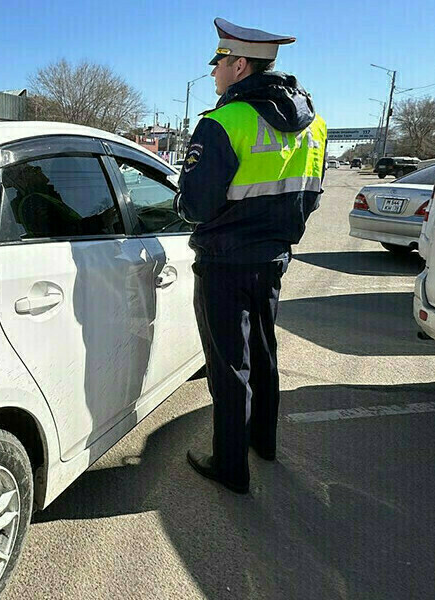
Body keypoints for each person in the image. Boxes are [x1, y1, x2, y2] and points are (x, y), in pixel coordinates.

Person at [173, 18, 327, 494]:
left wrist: (188, 205)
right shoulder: (315, 125)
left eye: (218, 63)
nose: (215, 71)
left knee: (228, 363)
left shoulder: (222, 122)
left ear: (239, 65)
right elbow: (313, 194)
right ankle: (264, 443)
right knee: (263, 353)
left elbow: (195, 204)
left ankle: (230, 467)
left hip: (224, 260)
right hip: (275, 258)